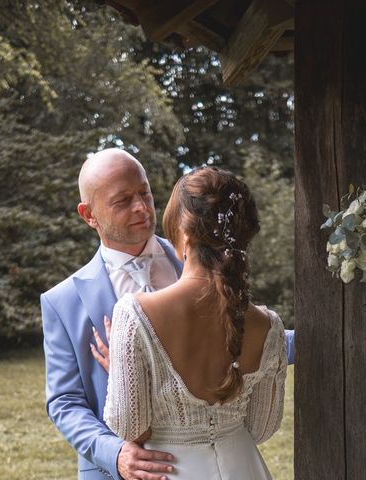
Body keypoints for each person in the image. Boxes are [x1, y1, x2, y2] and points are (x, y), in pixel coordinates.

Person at [41, 149, 295, 480]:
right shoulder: (62, 301)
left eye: (144, 193)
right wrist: (114, 453)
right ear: (89, 215)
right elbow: (64, 401)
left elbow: (246, 336)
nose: (141, 207)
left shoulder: (207, 259)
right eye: (123, 201)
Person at [102, 166, 287, 479]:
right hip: (244, 467)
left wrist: (124, 372)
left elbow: (128, 426)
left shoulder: (135, 314)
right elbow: (261, 428)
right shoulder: (268, 326)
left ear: (184, 232)